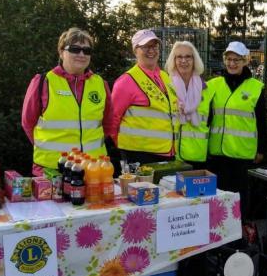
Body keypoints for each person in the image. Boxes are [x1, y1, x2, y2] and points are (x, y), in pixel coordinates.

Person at [22, 28, 115, 176]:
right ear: (61, 52)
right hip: (52, 170)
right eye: (75, 49)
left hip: (94, 169)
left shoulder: (100, 84)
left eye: (86, 51)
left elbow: (109, 123)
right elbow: (28, 123)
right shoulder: (43, 82)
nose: (81, 54)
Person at [207, 41, 267, 217]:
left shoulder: (255, 87)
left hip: (242, 152)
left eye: (237, 60)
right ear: (224, 60)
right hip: (217, 152)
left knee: (238, 197)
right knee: (217, 197)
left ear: (245, 61)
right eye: (229, 59)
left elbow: (261, 121)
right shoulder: (213, 85)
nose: (232, 63)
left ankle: (239, 233)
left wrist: (261, 149)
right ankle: (218, 234)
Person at [111, 30, 179, 164]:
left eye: (154, 46)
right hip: (137, 155)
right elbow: (112, 119)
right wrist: (121, 148)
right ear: (135, 50)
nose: (151, 51)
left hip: (167, 152)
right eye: (146, 47)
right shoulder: (126, 81)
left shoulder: (166, 77)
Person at [165, 41, 213, 167]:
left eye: (188, 57)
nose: (183, 60)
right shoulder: (166, 86)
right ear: (173, 60)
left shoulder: (206, 89)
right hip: (170, 154)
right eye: (179, 57)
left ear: (194, 60)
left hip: (197, 155)